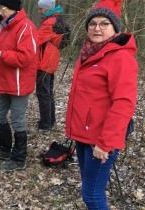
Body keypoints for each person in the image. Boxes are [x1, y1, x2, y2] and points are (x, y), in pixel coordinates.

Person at [65, 0, 137, 208]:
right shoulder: (90, 52)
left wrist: (105, 143)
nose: (97, 28)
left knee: (92, 194)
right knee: (89, 188)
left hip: (101, 139)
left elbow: (123, 103)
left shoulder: (120, 58)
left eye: (104, 23)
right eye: (93, 23)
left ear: (115, 28)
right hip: (84, 133)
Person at [0, 0, 38, 171]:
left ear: (13, 8)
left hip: (19, 83)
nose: (0, 12)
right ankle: (5, 149)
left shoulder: (26, 27)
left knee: (17, 121)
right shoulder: (5, 27)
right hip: (5, 82)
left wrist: (0, 54)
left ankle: (19, 158)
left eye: (3, 8)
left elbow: (25, 58)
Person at [35, 0, 65, 132]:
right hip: (51, 60)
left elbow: (36, 40)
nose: (39, 11)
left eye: (41, 9)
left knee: (43, 93)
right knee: (48, 92)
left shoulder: (49, 22)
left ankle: (45, 123)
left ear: (47, 8)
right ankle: (50, 120)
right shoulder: (56, 20)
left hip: (44, 62)